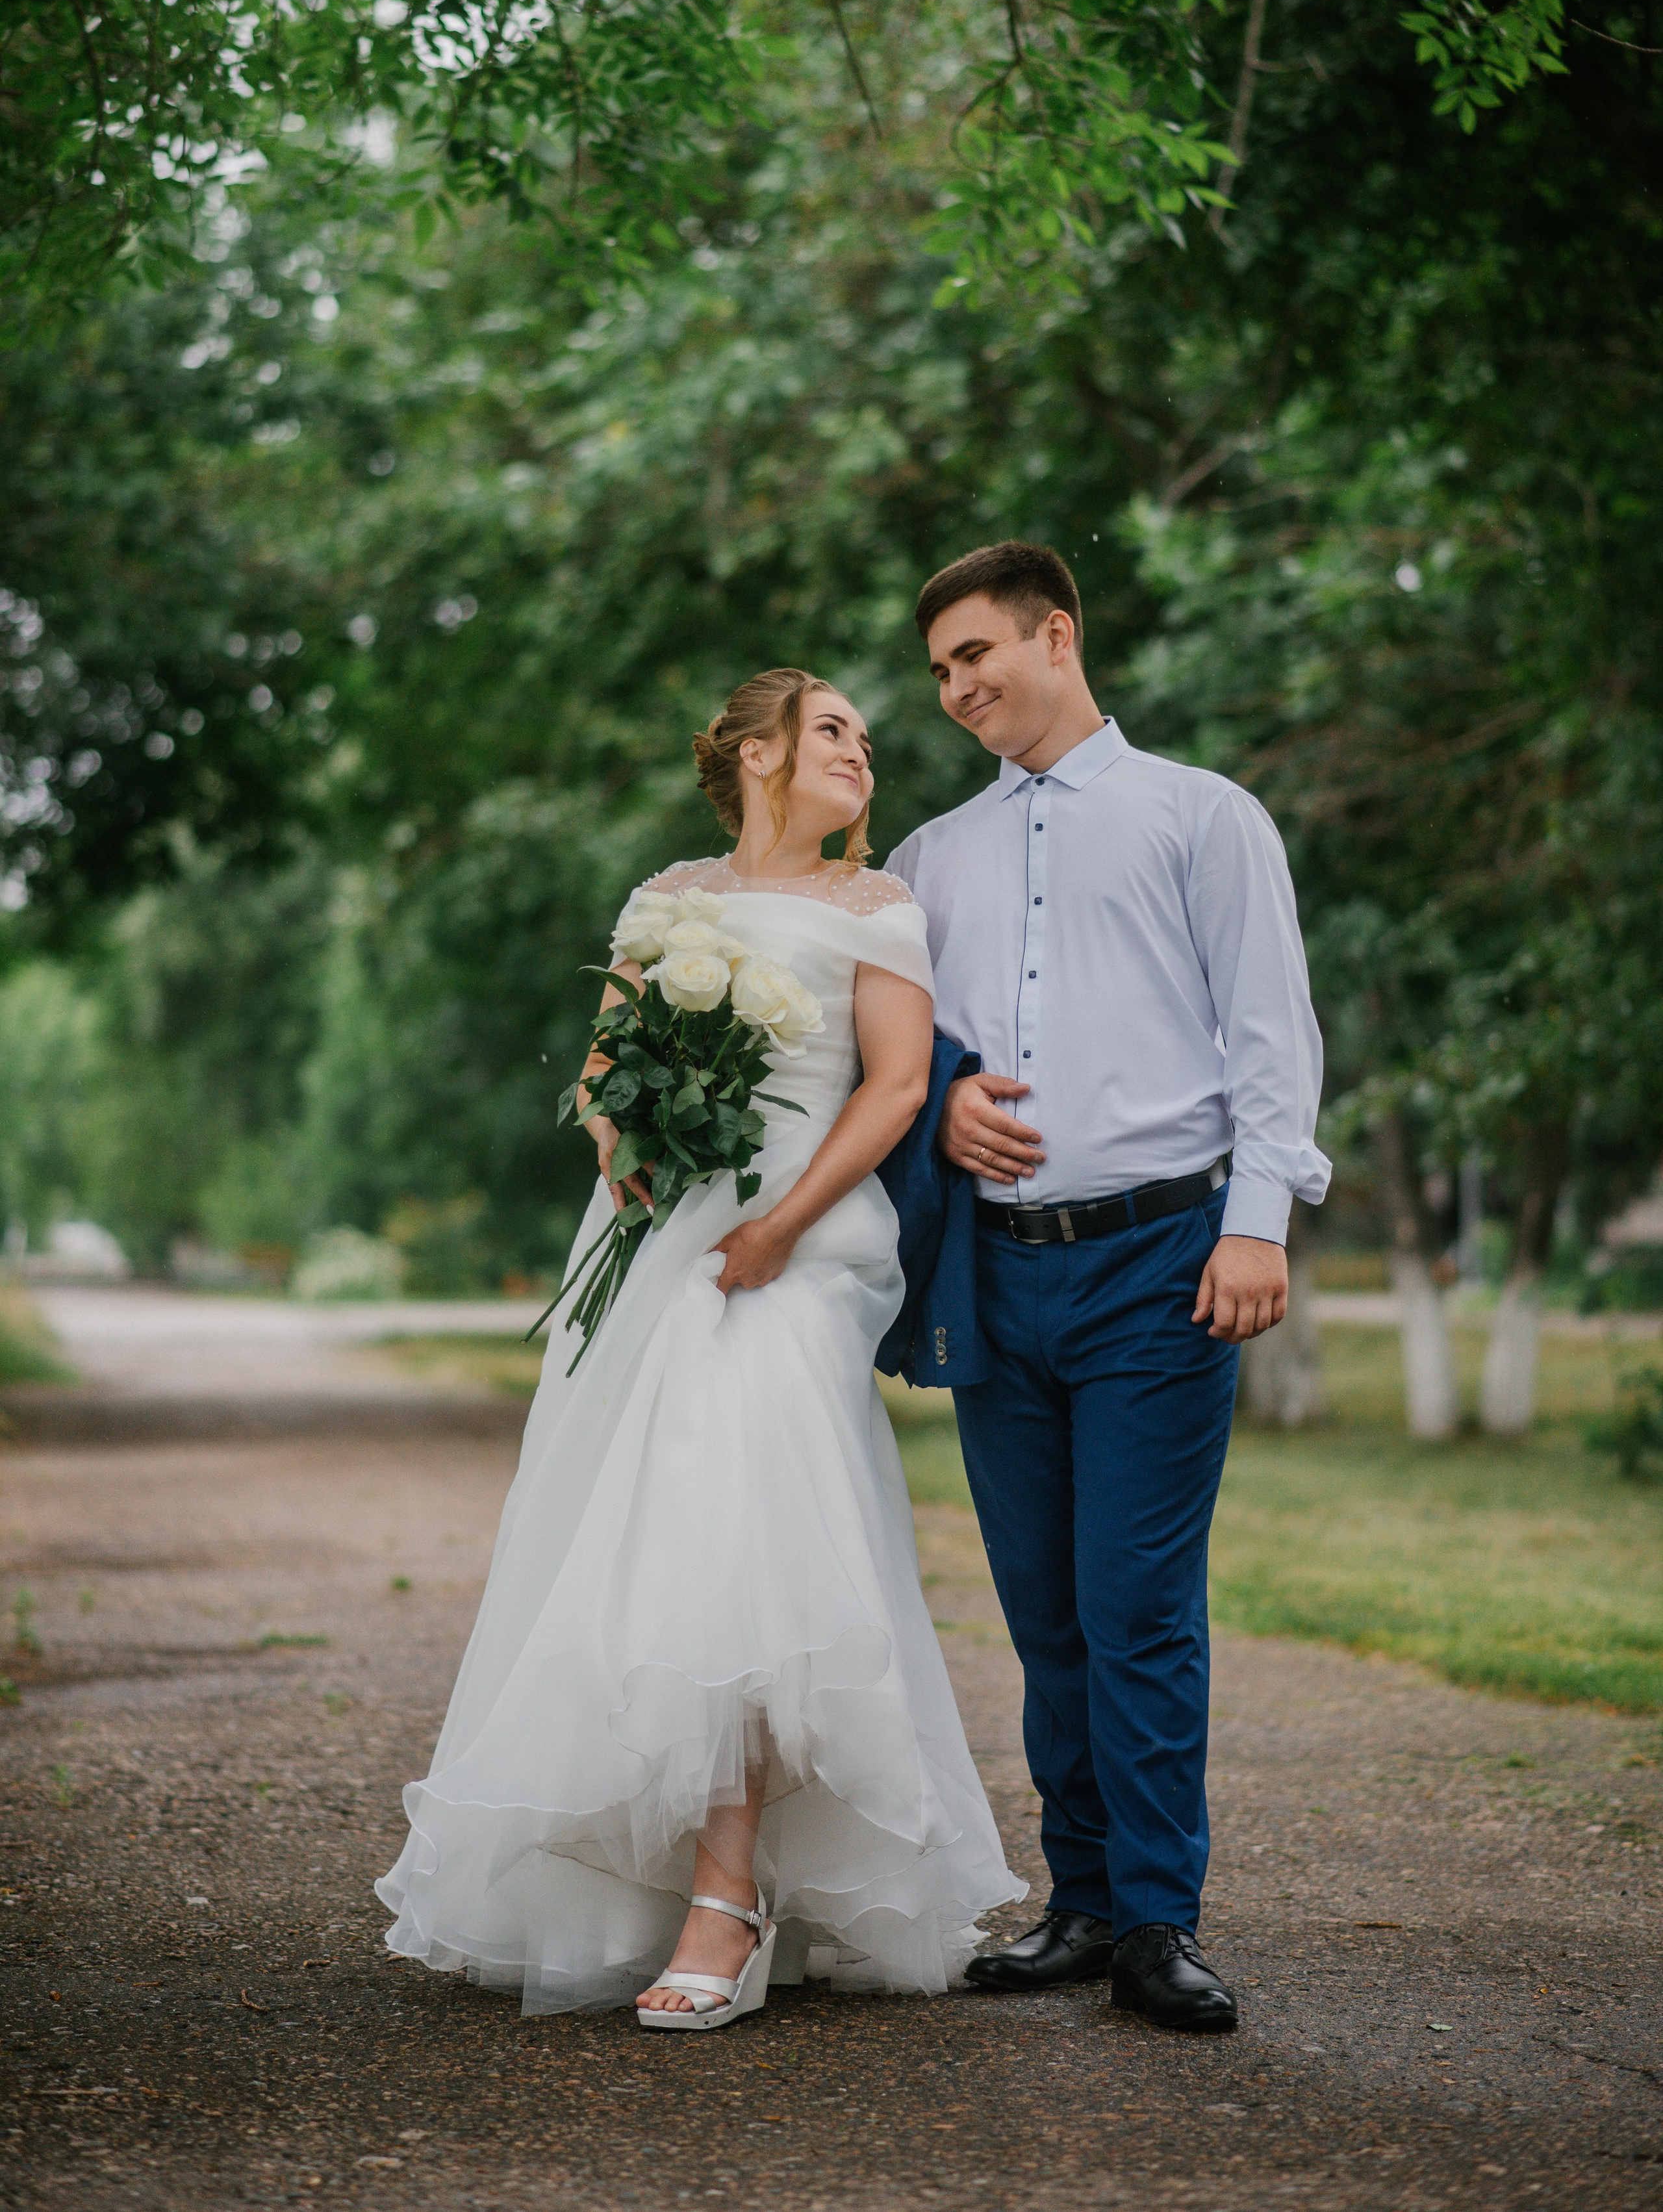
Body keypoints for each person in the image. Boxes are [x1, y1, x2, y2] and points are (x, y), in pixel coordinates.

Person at [376, 668, 1022, 2030]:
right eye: (831, 728)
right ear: (753, 753)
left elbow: (900, 1085)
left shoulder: (876, 908)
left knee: (729, 1508)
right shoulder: (664, 898)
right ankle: (691, 1879)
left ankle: (724, 1897)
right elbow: (610, 1067)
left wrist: (782, 1224)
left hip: (806, 1242)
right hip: (665, 1238)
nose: (860, 749)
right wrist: (626, 1151)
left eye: (864, 735)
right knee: (654, 1534)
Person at [885, 542, 1330, 2033]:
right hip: (993, 1275)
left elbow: (1267, 1030)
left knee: (1135, 1604)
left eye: (973, 654)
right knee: (1043, 1612)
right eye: (937, 669)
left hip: (1160, 1261)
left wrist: (1255, 1222)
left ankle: (1155, 1919)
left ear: (1054, 632)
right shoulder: (925, 861)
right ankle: (1075, 1901)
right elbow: (889, 1053)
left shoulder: (1201, 816)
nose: (953, 689)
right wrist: (942, 1101)